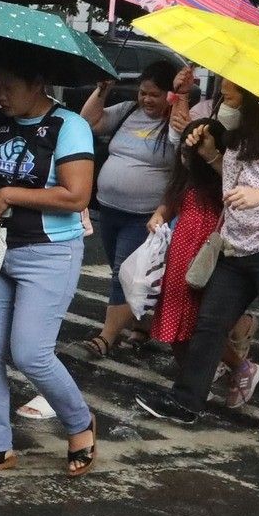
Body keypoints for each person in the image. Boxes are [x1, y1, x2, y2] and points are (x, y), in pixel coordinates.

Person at [137, 80, 259, 448]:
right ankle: (186, 402)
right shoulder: (242, 131)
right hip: (237, 245)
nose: (222, 90)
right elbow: (236, 182)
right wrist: (211, 153)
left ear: (256, 90)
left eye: (230, 86)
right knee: (209, 326)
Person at [0, 64, 99, 477]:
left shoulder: (69, 125)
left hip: (48, 253)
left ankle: (79, 423)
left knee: (30, 352)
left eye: (10, 88)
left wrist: (11, 192)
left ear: (38, 82)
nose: (3, 96)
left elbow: (77, 194)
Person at [146, 108, 259, 408]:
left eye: (192, 151)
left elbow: (236, 193)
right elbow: (170, 203)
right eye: (185, 150)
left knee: (202, 325)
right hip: (180, 256)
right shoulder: (185, 177)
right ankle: (193, 382)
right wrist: (159, 216)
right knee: (174, 324)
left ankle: (240, 367)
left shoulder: (221, 180)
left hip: (206, 258)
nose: (186, 156)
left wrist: (211, 158)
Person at [76, 60, 183, 358]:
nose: (147, 100)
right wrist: (102, 90)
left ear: (170, 95)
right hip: (110, 210)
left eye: (155, 95)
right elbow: (88, 122)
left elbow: (183, 173)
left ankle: (106, 338)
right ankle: (144, 323)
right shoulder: (127, 112)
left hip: (144, 216)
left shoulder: (175, 125)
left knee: (123, 273)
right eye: (143, 93)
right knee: (122, 271)